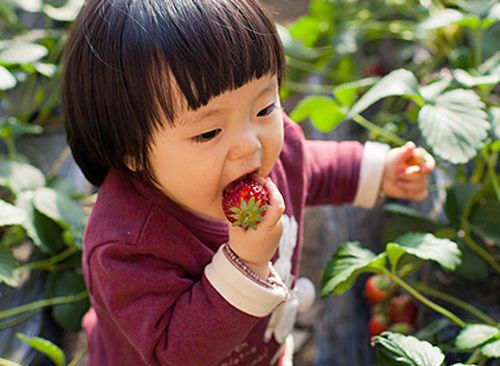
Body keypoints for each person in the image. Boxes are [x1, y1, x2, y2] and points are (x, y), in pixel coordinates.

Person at [62, 0, 435, 365]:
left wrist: (376, 170)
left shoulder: (265, 150)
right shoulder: (126, 244)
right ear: (131, 151)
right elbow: (174, 351)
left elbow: (305, 168)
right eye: (208, 132)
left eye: (264, 108)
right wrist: (246, 263)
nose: (249, 144)